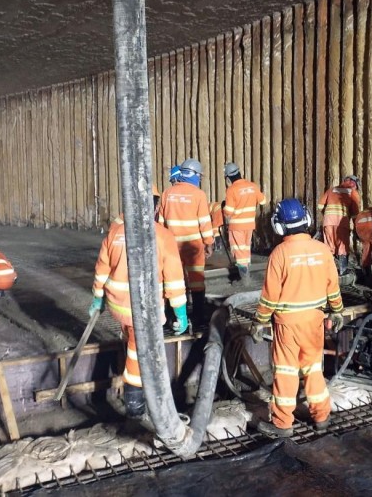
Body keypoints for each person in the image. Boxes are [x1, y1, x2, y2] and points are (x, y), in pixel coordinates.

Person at [90, 186, 187, 418]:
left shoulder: (115, 232)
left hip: (117, 306)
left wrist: (97, 298)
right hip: (143, 313)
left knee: (130, 342)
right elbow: (173, 279)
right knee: (137, 355)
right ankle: (134, 405)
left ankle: (129, 379)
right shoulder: (162, 235)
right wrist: (180, 312)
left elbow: (102, 269)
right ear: (155, 206)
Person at [253, 198, 344, 438]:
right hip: (314, 320)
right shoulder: (322, 249)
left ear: (279, 225)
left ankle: (283, 424)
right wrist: (337, 310)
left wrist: (259, 321)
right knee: (313, 367)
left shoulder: (280, 254)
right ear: (307, 219)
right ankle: (321, 417)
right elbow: (333, 287)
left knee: (286, 371)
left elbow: (270, 297)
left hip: (288, 324)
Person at [157, 158, 214, 328]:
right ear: (194, 175)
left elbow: (160, 222)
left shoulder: (167, 193)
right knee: (196, 280)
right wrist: (209, 243)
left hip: (171, 247)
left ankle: (170, 316)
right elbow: (205, 222)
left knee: (172, 280)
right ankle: (197, 316)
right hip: (193, 247)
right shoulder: (199, 195)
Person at [222, 162, 266, 284]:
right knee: (246, 250)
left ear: (228, 177)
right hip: (249, 225)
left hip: (237, 226)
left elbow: (229, 212)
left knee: (239, 252)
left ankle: (245, 280)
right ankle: (246, 276)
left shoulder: (232, 190)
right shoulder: (252, 186)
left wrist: (224, 207)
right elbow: (263, 201)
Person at [317, 175, 361, 276]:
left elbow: (320, 206)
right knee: (342, 246)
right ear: (354, 184)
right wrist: (357, 229)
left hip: (328, 222)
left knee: (329, 246)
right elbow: (355, 215)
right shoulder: (352, 192)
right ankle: (343, 271)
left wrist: (328, 215)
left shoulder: (331, 190)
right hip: (342, 223)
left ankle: (327, 272)